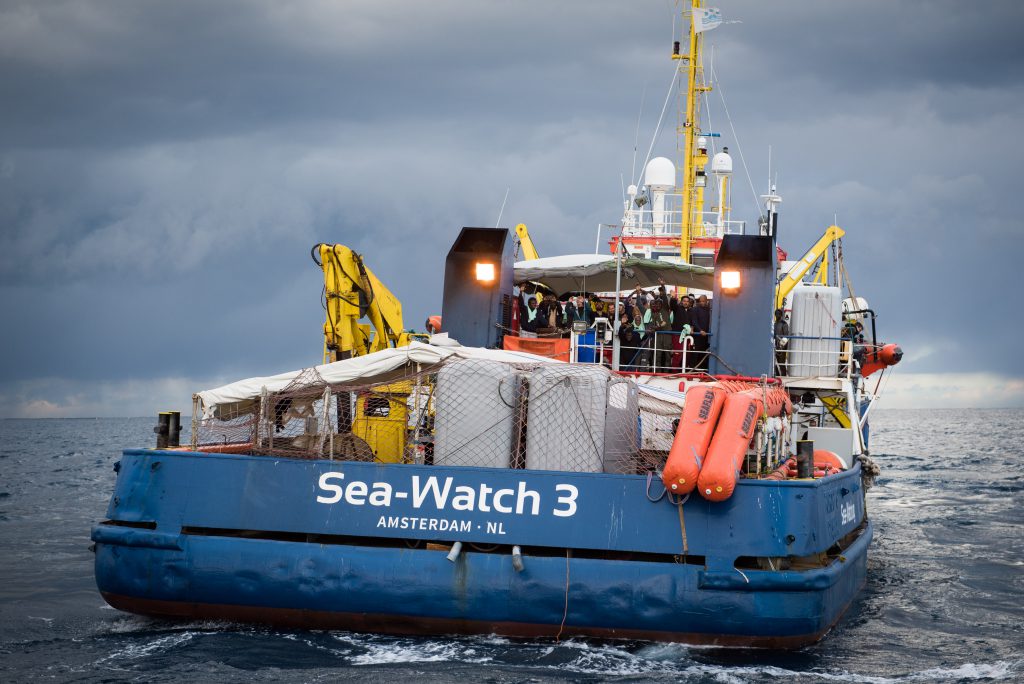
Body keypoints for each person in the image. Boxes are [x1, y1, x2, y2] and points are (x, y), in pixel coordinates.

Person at [671, 295, 694, 370]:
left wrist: (692, 328)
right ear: (681, 302)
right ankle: (674, 372)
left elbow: (692, 323)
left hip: (687, 337)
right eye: (684, 301)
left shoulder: (691, 311)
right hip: (677, 335)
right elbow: (673, 305)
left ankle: (683, 371)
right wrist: (673, 298)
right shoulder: (677, 308)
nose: (686, 303)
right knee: (677, 354)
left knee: (687, 354)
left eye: (687, 301)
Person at [691, 294, 711, 370]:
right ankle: (693, 370)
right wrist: (700, 330)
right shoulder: (695, 309)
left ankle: (702, 370)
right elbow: (694, 321)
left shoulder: (709, 310)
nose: (702, 303)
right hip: (697, 335)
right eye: (701, 301)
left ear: (706, 301)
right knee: (696, 353)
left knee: (704, 353)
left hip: (706, 336)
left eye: (704, 301)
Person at [773, 308, 790, 376]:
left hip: (782, 346)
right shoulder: (774, 324)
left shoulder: (784, 324)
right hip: (775, 345)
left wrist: (782, 345)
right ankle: (777, 375)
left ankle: (783, 375)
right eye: (776, 314)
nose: (777, 315)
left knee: (781, 362)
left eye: (779, 314)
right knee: (774, 362)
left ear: (781, 315)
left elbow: (786, 335)